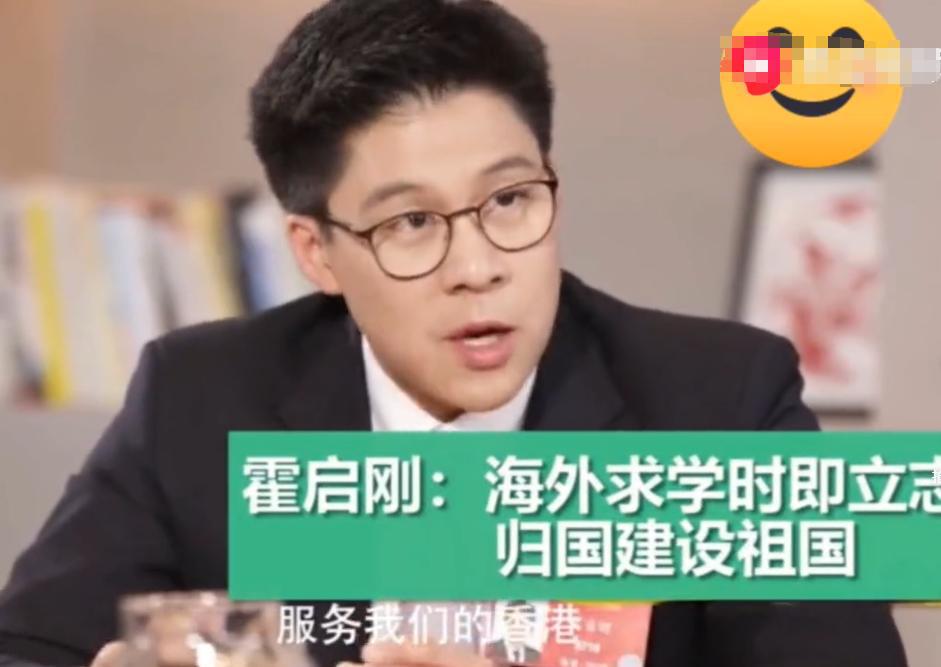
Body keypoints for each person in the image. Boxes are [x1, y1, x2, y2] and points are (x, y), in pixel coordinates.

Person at [0, 1, 907, 667]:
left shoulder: (719, 404)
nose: (476, 266)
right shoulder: (200, 399)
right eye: (410, 223)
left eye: (509, 199)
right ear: (316, 252)